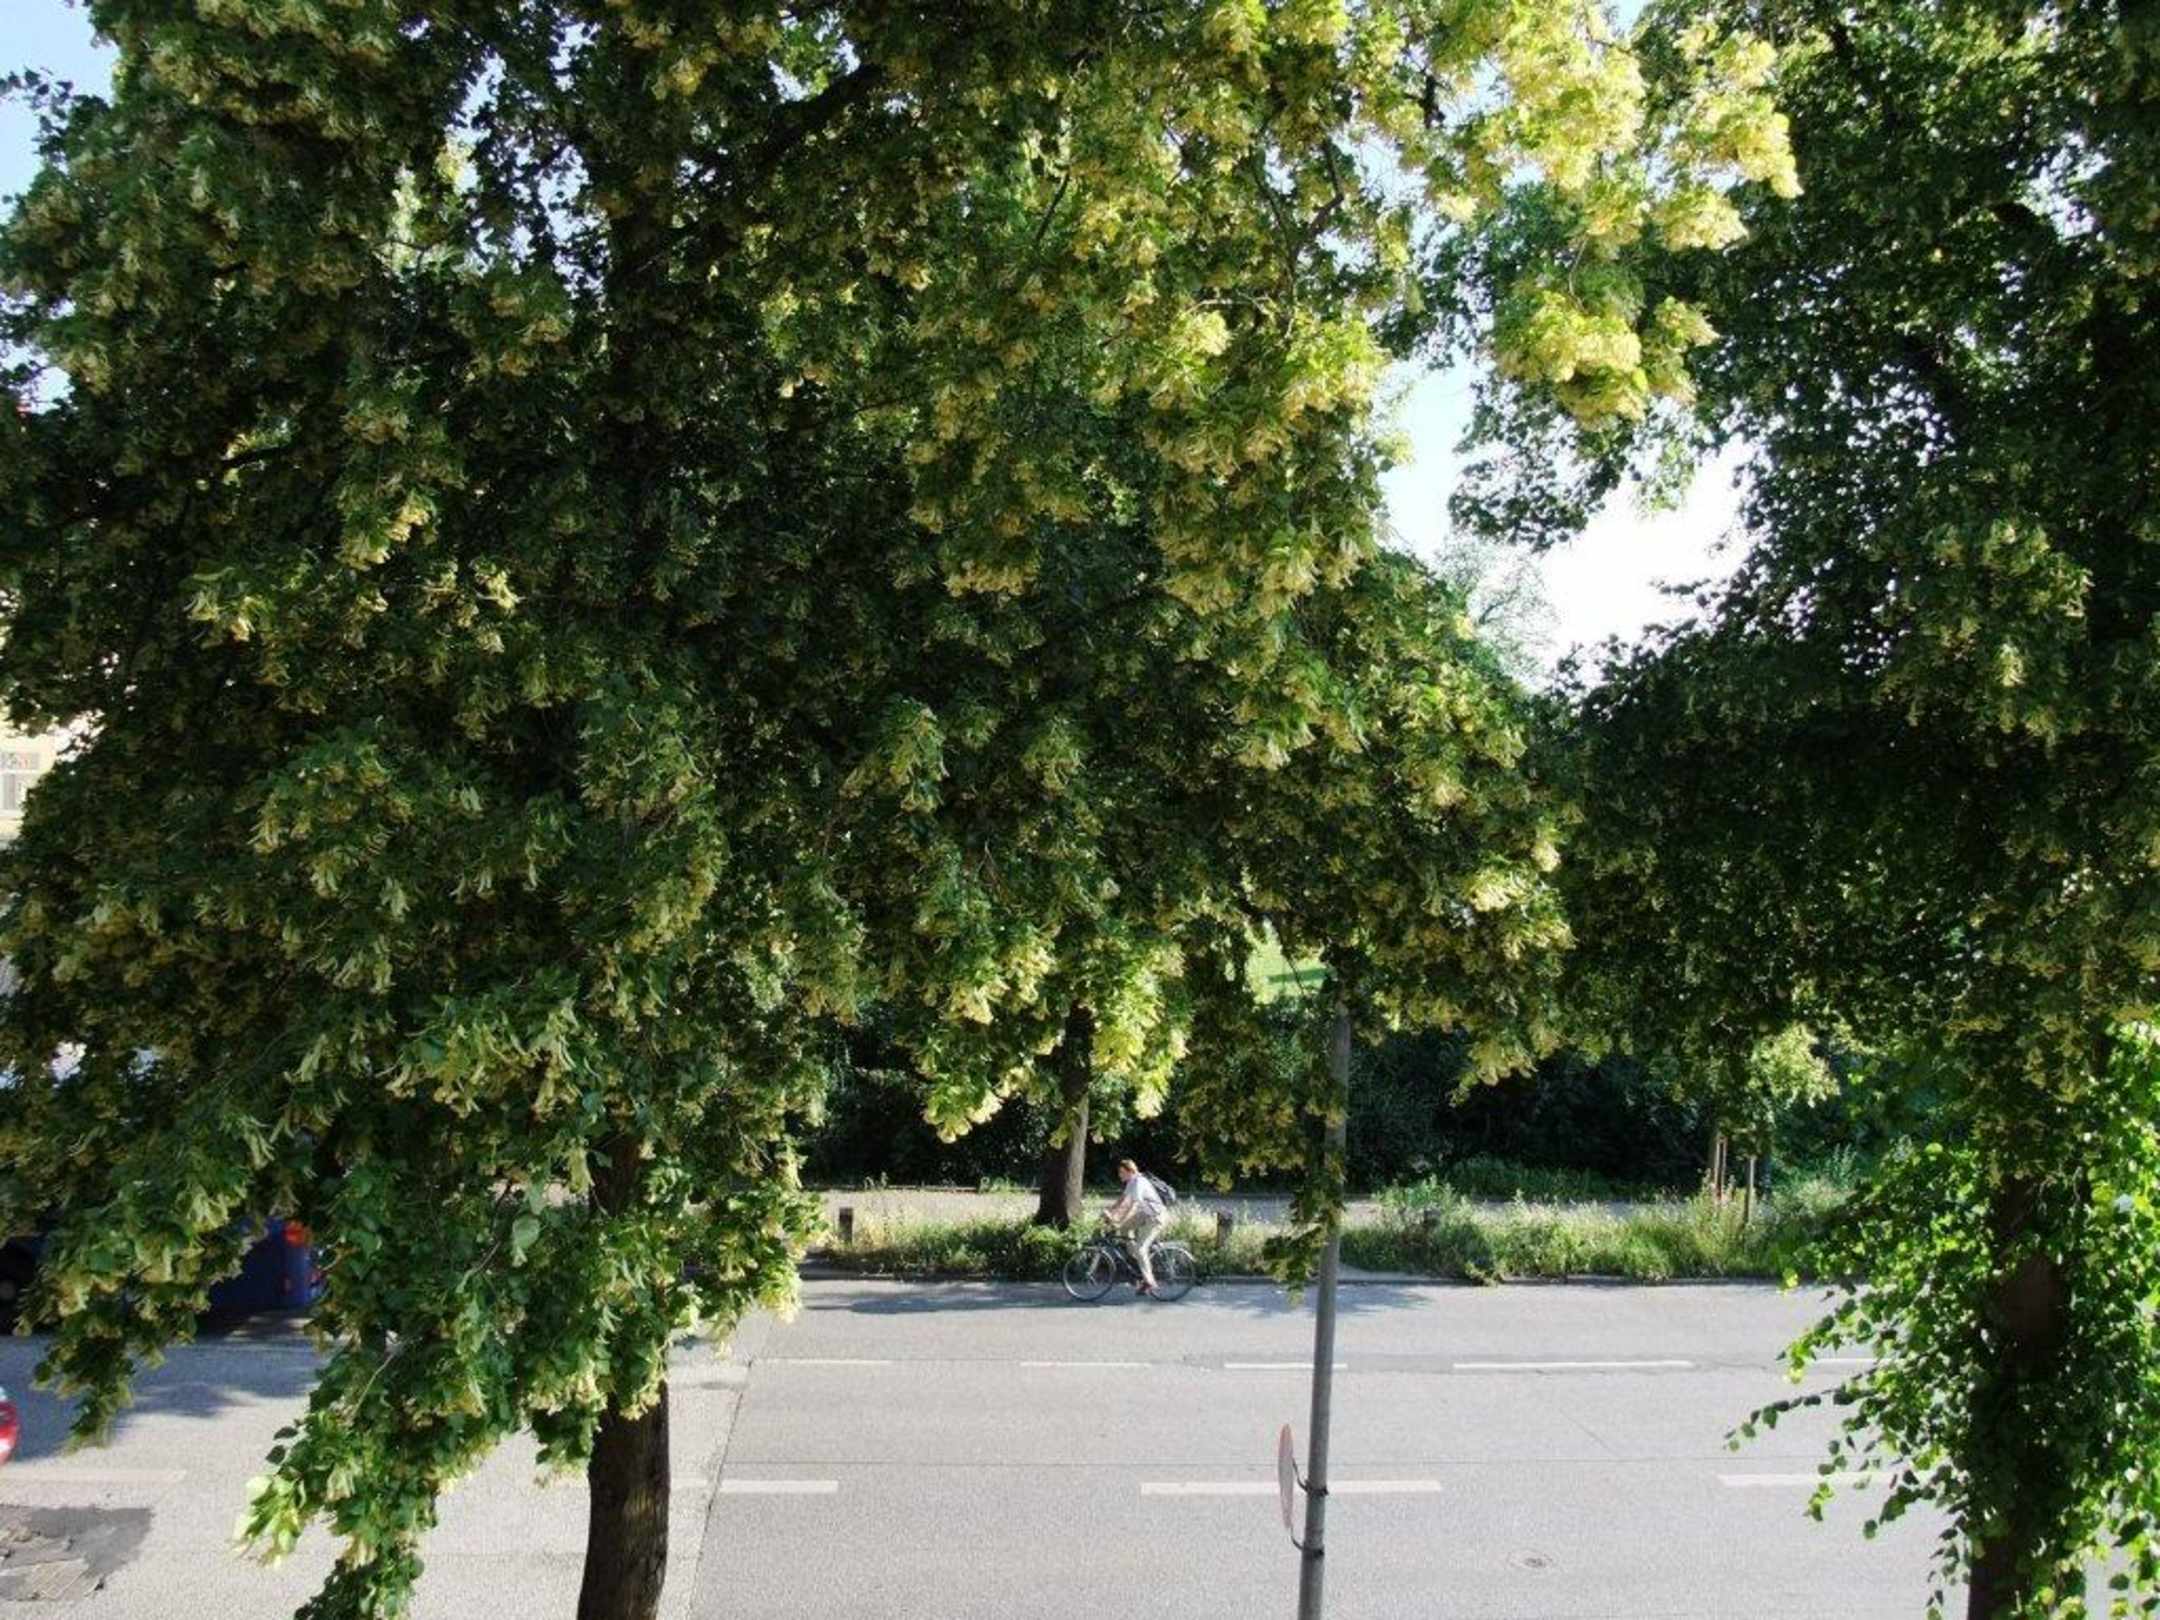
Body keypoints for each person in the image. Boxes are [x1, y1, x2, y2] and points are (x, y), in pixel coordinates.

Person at [1103, 1158, 1167, 1295]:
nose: (1119, 1175)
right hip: (1145, 1214)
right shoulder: (1131, 1182)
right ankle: (1137, 1259)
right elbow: (1122, 1200)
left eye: (1122, 1172)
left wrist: (1120, 1219)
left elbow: (1133, 1205)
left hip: (1155, 1217)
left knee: (1141, 1248)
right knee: (1123, 1229)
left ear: (1130, 1171)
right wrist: (1110, 1211)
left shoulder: (1139, 1182)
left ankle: (1149, 1281)